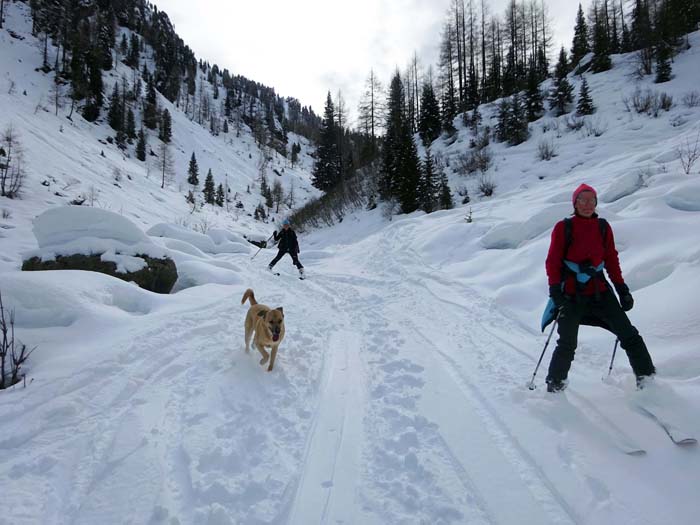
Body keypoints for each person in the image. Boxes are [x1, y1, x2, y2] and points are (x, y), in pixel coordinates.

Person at [544, 183, 655, 393]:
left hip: (600, 292)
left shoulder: (603, 227)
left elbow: (611, 259)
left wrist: (622, 288)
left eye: (591, 200)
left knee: (629, 335)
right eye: (582, 200)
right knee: (567, 344)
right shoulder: (563, 227)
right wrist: (555, 291)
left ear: (596, 203)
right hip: (571, 294)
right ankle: (555, 386)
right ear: (574, 203)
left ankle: (648, 381)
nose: (587, 204)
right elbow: (553, 262)